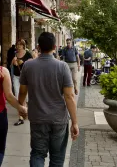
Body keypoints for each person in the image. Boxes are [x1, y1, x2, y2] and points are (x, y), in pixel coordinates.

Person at [18, 32, 79, 167]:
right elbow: (69, 96)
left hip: (37, 118)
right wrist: (75, 122)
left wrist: (20, 107)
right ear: (55, 47)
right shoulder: (62, 67)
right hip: (58, 120)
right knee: (57, 158)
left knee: (38, 154)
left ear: (38, 47)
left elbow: (22, 91)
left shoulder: (28, 66)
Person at [12, 39, 33, 126]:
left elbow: (32, 64)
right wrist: (13, 62)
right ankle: (21, 117)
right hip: (16, 77)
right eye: (18, 44)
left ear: (24, 45)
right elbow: (10, 65)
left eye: (21, 45)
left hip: (25, 77)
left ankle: (26, 111)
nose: (19, 46)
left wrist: (23, 62)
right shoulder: (14, 54)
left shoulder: (27, 54)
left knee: (26, 97)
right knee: (18, 95)